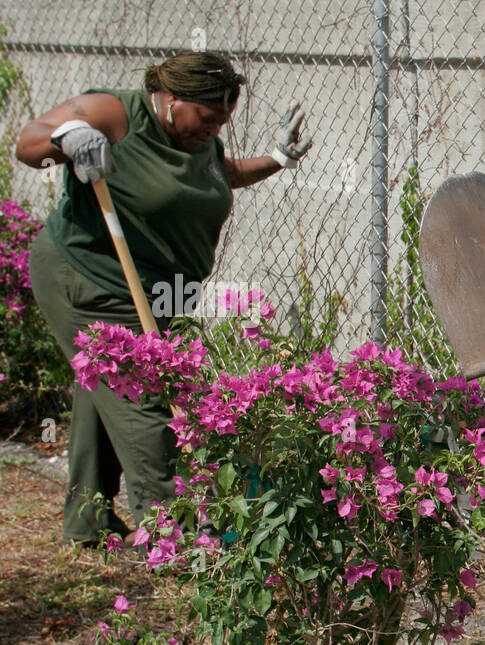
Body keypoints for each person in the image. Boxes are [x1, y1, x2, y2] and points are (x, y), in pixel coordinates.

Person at [16, 50, 312, 545]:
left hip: (156, 296)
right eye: (207, 118)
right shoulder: (116, 113)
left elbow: (225, 175)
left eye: (222, 122)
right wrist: (69, 138)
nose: (214, 130)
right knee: (146, 410)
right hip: (89, 282)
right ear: (173, 100)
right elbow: (29, 144)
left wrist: (278, 159)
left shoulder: (199, 142)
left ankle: (87, 526)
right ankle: (180, 541)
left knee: (104, 394)